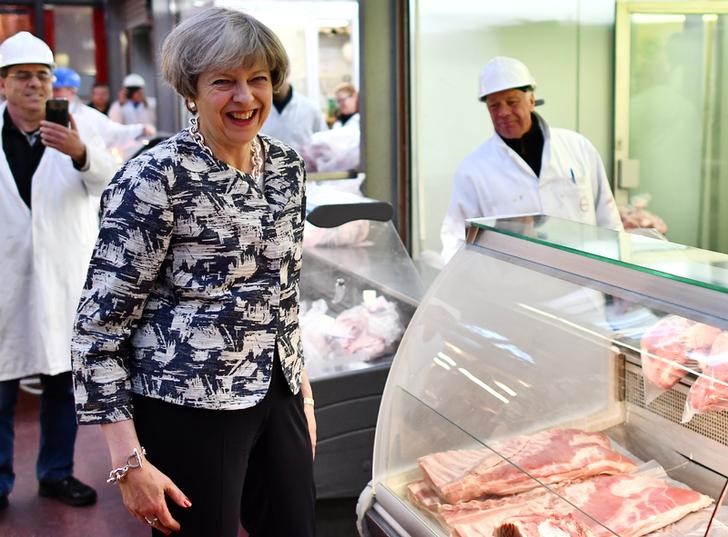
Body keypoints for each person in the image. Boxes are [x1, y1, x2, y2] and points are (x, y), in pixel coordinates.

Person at [71, 7, 316, 537]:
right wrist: (128, 463)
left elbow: (284, 294)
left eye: (258, 80)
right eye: (224, 82)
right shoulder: (153, 178)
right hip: (188, 403)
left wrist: (303, 398)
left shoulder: (286, 167)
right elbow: (97, 331)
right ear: (191, 89)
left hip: (277, 388)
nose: (245, 98)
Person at [0, 31, 116, 510]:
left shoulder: (85, 124)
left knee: (62, 387)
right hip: (5, 280)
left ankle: (56, 474)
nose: (34, 85)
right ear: (3, 84)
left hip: (64, 278)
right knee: (1, 389)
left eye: (42, 76)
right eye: (22, 76)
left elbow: (114, 182)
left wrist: (80, 152)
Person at [440, 56, 622, 261]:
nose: (504, 113)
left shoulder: (578, 148)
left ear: (531, 101)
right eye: (494, 106)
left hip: (584, 288)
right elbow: (455, 241)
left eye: (512, 102)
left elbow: (609, 220)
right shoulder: (472, 171)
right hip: (516, 290)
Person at [53, 67, 155, 162]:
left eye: (57, 90)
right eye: (51, 88)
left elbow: (113, 132)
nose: (53, 93)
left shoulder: (88, 116)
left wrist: (141, 129)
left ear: (72, 90)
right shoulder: (40, 113)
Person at [261, 77, 326, 153]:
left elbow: (323, 144)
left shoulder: (310, 108)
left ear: (286, 71)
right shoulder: (257, 111)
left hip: (305, 164)